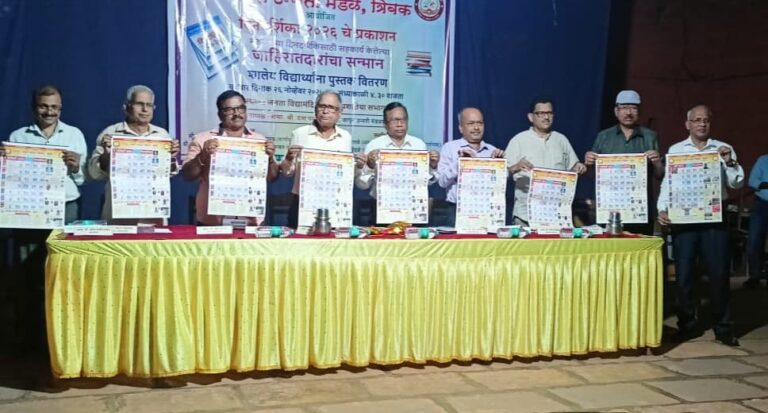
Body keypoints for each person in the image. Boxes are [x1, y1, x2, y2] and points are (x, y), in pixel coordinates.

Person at [657, 105, 744, 346]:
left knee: (718, 274)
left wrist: (730, 162)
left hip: (714, 220)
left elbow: (736, 183)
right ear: (688, 124)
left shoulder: (722, 149)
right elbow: (668, 184)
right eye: (696, 120)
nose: (701, 124)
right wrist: (662, 209)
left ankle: (723, 328)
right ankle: (686, 325)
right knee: (684, 275)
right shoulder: (676, 150)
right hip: (683, 220)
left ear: (710, 123)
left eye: (705, 120)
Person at [181, 90, 279, 225]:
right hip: (212, 223)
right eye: (229, 110)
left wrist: (270, 159)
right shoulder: (203, 139)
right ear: (220, 114)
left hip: (250, 221)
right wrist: (203, 155)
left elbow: (272, 178)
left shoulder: (260, 141)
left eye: (240, 108)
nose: (236, 113)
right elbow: (187, 175)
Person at [87, 85, 179, 223]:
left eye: (149, 105)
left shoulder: (162, 135)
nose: (145, 109)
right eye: (139, 104)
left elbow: (168, 174)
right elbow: (94, 173)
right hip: (119, 217)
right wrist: (106, 155)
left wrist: (171, 158)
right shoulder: (111, 133)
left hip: (153, 216)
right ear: (126, 107)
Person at [280, 90, 366, 228]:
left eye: (331, 108)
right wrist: (288, 159)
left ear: (339, 113)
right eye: (322, 106)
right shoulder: (300, 134)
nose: (325, 111)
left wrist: (358, 166)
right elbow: (287, 173)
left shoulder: (345, 137)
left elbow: (346, 175)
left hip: (335, 202)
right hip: (303, 203)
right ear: (315, 110)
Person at [5, 85, 87, 223]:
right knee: (27, 239)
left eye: (54, 107)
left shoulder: (74, 134)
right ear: (34, 108)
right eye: (43, 106)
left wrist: (76, 168)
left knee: (63, 239)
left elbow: (83, 180)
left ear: (60, 108)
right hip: (29, 206)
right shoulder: (17, 137)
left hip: (66, 205)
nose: (49, 112)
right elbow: (10, 178)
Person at [585, 90, 664, 234]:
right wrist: (589, 163)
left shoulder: (650, 136)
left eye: (633, 108)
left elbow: (659, 176)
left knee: (640, 247)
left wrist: (658, 163)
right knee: (609, 247)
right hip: (609, 208)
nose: (628, 112)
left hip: (640, 210)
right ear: (616, 111)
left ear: (639, 111)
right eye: (624, 107)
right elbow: (591, 174)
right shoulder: (604, 136)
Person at [505, 97, 586, 225]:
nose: (546, 117)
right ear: (531, 117)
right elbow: (502, 175)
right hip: (526, 216)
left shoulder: (561, 140)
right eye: (541, 113)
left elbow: (573, 169)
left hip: (556, 214)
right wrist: (515, 167)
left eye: (549, 113)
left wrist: (579, 168)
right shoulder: (518, 141)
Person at [355, 102, 439, 222]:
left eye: (403, 119)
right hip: (382, 209)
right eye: (395, 120)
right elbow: (362, 185)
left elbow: (427, 182)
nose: (400, 124)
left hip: (413, 208)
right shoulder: (374, 145)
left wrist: (433, 166)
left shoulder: (418, 145)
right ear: (385, 124)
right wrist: (370, 166)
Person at [437, 107, 505, 227]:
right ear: (461, 128)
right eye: (471, 123)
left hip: (487, 210)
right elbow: (442, 182)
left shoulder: (492, 150)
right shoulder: (450, 148)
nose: (476, 128)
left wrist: (500, 168)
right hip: (456, 211)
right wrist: (460, 163)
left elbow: (500, 186)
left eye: (480, 123)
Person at [744, 154, 768, 288]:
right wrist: (765, 184)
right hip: (762, 205)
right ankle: (755, 275)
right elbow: (752, 181)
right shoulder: (763, 160)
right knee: (754, 241)